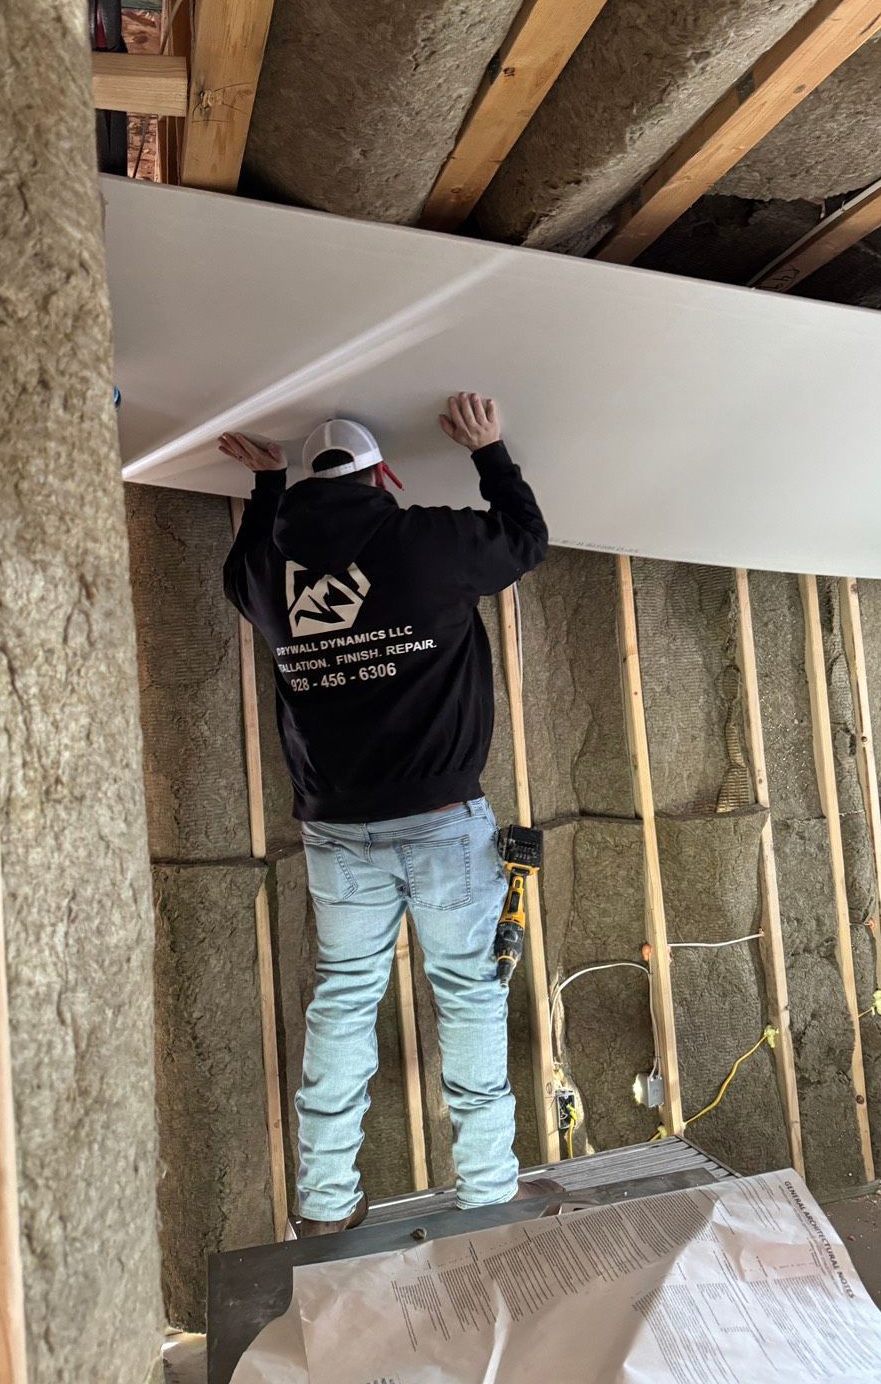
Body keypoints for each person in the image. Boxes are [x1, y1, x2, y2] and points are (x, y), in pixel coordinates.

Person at [221, 393, 550, 1235]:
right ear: (385, 476)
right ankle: (486, 1188)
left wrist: (264, 487)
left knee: (344, 999)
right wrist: (489, 450)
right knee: (470, 999)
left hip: (336, 833)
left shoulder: (267, 574)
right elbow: (523, 540)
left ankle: (325, 1206)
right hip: (443, 823)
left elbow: (247, 562)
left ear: (304, 485)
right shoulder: (421, 541)